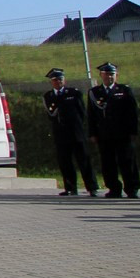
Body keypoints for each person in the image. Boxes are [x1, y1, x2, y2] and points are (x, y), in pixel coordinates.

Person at [88, 62, 140, 199]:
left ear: (117, 75)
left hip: (123, 133)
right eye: (106, 74)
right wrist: (92, 133)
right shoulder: (94, 92)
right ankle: (114, 188)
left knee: (127, 162)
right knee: (108, 163)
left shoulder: (124, 90)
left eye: (112, 74)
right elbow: (91, 115)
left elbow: (133, 112)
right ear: (101, 75)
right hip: (104, 134)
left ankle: (132, 188)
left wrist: (133, 131)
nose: (109, 77)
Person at [43, 68, 97, 196]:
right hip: (60, 134)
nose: (58, 82)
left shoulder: (74, 93)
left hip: (76, 132)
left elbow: (82, 112)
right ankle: (70, 187)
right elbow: (51, 115)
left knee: (84, 161)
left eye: (60, 79)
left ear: (64, 80)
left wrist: (79, 127)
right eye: (55, 80)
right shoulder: (48, 96)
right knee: (65, 161)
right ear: (51, 82)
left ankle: (92, 187)